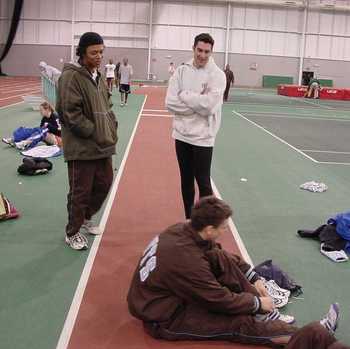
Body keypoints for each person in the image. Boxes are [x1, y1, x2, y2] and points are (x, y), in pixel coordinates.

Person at [127, 196, 345, 348]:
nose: (226, 230)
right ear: (210, 229)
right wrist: (256, 304)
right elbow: (217, 299)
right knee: (237, 322)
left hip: (171, 294)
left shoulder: (184, 229)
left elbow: (219, 255)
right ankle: (304, 337)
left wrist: (254, 277)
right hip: (165, 317)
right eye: (223, 227)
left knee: (220, 258)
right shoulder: (186, 260)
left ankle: (267, 313)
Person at [56, 32, 118, 251]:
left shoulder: (97, 76)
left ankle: (85, 218)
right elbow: (68, 113)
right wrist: (94, 131)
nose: (99, 56)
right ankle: (72, 232)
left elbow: (106, 105)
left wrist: (111, 125)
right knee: (80, 191)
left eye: (101, 52)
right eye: (94, 53)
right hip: (81, 147)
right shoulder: (71, 77)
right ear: (82, 53)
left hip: (102, 145)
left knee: (104, 183)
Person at [165, 33, 226, 219]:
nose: (202, 55)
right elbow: (170, 102)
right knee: (186, 180)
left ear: (211, 52)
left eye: (207, 51)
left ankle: (208, 227)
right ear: (193, 49)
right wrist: (196, 105)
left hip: (203, 137)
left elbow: (209, 107)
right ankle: (189, 221)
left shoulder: (218, 75)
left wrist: (186, 96)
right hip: (182, 135)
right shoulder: (181, 71)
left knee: (204, 182)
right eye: (199, 50)